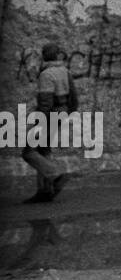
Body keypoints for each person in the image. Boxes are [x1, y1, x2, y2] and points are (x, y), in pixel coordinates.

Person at [21, 43, 76, 203]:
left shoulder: (46, 74)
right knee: (43, 149)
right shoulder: (65, 71)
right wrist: (67, 113)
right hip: (62, 112)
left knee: (28, 152)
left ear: (44, 56)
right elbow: (74, 97)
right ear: (57, 55)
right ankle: (45, 191)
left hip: (49, 115)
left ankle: (55, 175)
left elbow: (45, 102)